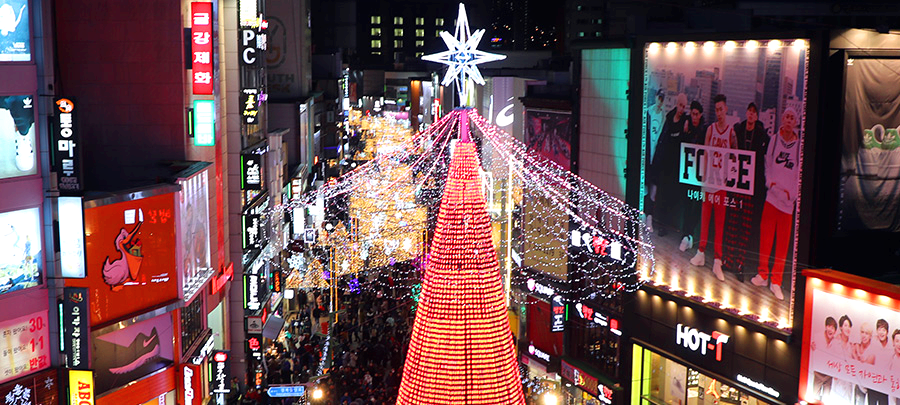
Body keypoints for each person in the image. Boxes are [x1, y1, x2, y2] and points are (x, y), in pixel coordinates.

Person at [750, 107, 800, 300]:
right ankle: (762, 274)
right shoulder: (774, 140)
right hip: (771, 197)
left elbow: (799, 173)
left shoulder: (798, 145)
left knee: (782, 244)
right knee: (766, 238)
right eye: (786, 116)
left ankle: (776, 281)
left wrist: (793, 194)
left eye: (792, 117)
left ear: (795, 122)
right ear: (782, 118)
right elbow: (767, 163)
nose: (788, 120)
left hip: (787, 203)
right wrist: (769, 182)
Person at [690, 94, 737, 281]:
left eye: (721, 109)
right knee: (705, 221)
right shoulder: (710, 129)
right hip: (709, 183)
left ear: (726, 109)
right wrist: (703, 180)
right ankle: (701, 253)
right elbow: (705, 155)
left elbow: (736, 158)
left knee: (719, 225)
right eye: (716, 109)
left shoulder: (731, 132)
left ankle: (718, 261)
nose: (718, 112)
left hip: (722, 185)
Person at [725, 103, 769, 280]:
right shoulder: (738, 129)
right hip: (736, 183)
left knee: (745, 227)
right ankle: (728, 261)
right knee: (732, 223)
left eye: (754, 113)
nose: (751, 115)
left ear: (757, 117)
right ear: (746, 113)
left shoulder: (761, 135)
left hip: (751, 188)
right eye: (749, 112)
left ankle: (740, 264)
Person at [651, 93, 689, 237]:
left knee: (672, 198)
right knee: (663, 197)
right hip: (665, 165)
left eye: (684, 107)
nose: (682, 109)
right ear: (676, 104)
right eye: (680, 105)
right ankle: (661, 225)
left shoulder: (686, 121)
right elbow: (663, 139)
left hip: (677, 167)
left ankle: (668, 225)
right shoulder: (669, 118)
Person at [678, 101, 706, 252]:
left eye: (696, 114)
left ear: (700, 115)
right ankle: (686, 234)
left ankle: (689, 234)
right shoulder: (687, 127)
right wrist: (685, 132)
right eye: (692, 114)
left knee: (695, 206)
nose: (694, 117)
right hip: (687, 173)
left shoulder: (704, 129)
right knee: (687, 205)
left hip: (700, 175)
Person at [645, 89, 667, 232]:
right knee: (645, 188)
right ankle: (644, 216)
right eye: (659, 98)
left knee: (654, 190)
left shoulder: (664, 117)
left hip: (656, 159)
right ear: (655, 97)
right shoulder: (648, 112)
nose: (660, 101)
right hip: (646, 156)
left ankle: (649, 218)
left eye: (662, 99)